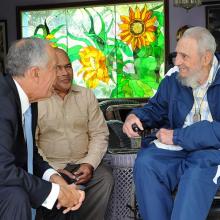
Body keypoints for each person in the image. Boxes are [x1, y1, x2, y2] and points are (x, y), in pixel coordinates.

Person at [123, 27, 220, 220]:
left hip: (212, 150)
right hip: (177, 148)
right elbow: (156, 108)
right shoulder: (173, 77)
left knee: (196, 175)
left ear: (206, 58)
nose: (177, 62)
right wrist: (136, 116)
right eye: (177, 55)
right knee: (146, 162)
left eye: (184, 57)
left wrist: (177, 136)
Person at [0, 38, 84, 220]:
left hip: (11, 180)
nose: (58, 76)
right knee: (17, 197)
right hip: (7, 188)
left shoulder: (30, 100)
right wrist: (54, 192)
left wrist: (56, 181)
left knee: (66, 193)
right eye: (54, 68)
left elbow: (28, 154)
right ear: (35, 73)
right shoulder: (2, 102)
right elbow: (2, 169)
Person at [36, 48, 114, 220]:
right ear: (47, 71)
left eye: (68, 66)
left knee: (105, 178)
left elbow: (100, 134)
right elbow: (32, 144)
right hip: (53, 166)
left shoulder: (86, 95)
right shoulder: (37, 100)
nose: (65, 73)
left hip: (82, 165)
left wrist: (89, 164)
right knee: (53, 187)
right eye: (58, 68)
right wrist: (53, 171)